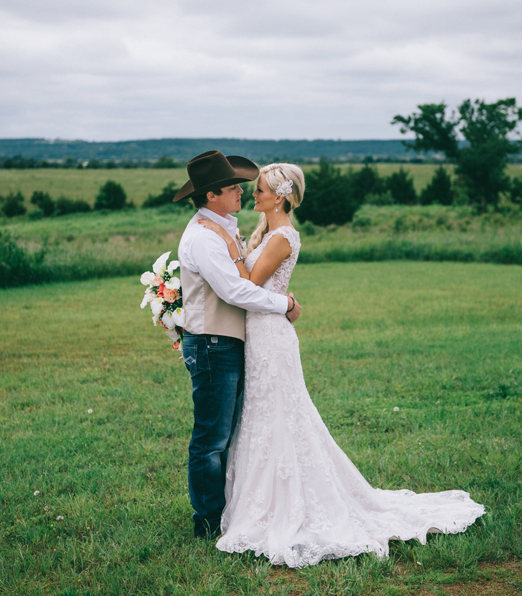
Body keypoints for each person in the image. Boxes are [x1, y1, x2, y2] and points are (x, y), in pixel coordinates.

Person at [197, 162, 485, 568]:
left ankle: (289, 506)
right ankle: (257, 503)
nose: (254, 194)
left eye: (260, 189)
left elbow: (249, 283)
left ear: (279, 196)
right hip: (258, 335)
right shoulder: (265, 232)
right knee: (261, 417)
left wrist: (230, 247)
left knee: (282, 416)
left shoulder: (283, 236)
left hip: (272, 339)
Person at [174, 150, 302, 540]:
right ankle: (208, 522)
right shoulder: (204, 238)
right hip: (214, 344)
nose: (242, 192)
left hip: (234, 342)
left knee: (232, 432)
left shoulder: (223, 228)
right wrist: (286, 304)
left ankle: (234, 509)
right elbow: (235, 291)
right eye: (234, 187)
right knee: (212, 439)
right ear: (212, 195)